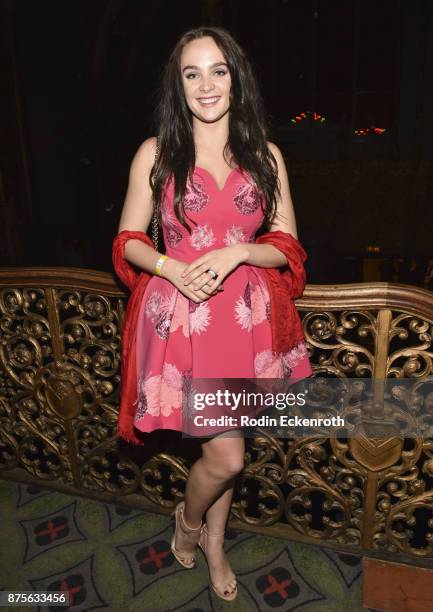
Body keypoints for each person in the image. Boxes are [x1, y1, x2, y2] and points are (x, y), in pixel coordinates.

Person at [115, 26, 312, 602]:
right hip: (182, 319)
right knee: (226, 455)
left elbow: (288, 246)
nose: (206, 84)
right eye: (191, 73)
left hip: (244, 319)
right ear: (178, 87)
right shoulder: (156, 153)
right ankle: (190, 524)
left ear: (236, 80)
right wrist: (172, 268)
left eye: (218, 70)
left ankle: (212, 541)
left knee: (222, 451)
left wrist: (239, 251)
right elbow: (127, 239)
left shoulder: (265, 154)